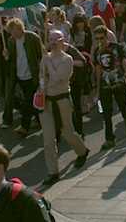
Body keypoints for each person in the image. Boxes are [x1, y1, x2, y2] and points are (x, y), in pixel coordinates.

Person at [38, 30, 89, 185]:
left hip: (62, 100)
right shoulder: (45, 58)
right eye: (51, 39)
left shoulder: (67, 59)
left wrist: (48, 64)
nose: (53, 43)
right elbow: (41, 76)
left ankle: (82, 151)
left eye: (56, 40)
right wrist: (41, 89)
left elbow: (58, 78)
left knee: (67, 131)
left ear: (63, 42)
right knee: (48, 138)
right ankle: (53, 172)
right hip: (47, 101)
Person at [93, 25, 126, 149]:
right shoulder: (97, 52)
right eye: (97, 39)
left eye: (102, 38)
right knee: (106, 113)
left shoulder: (117, 48)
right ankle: (109, 139)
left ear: (106, 36)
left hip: (119, 82)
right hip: (105, 85)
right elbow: (98, 70)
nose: (100, 41)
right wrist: (97, 89)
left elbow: (124, 63)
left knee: (123, 106)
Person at [4, 18, 43, 138]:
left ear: (21, 28)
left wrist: (42, 73)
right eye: (11, 31)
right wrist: (7, 56)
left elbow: (41, 55)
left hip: (32, 75)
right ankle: (41, 120)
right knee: (31, 101)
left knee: (27, 101)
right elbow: (11, 59)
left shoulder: (32, 38)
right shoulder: (11, 41)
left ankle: (24, 127)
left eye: (15, 30)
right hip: (20, 75)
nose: (13, 34)